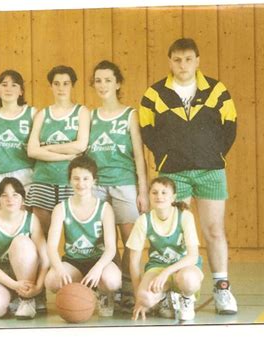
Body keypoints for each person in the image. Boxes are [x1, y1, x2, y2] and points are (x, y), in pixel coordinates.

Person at [138, 37, 238, 314]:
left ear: (197, 60)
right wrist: (168, 156)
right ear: (170, 62)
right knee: (175, 236)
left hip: (211, 171)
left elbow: (229, 127)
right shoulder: (154, 94)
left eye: (189, 59)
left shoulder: (217, 91)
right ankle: (176, 294)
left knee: (214, 231)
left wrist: (214, 155)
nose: (183, 64)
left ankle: (222, 289)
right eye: (177, 59)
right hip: (173, 174)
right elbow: (148, 131)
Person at [87, 60, 149, 313]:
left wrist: (142, 190)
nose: (103, 85)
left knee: (130, 241)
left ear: (118, 83)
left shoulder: (129, 114)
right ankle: (107, 290)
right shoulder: (90, 115)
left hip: (124, 184)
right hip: (97, 187)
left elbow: (139, 155)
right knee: (102, 241)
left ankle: (127, 287)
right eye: (98, 80)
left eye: (108, 80)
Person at [44, 156, 121, 317]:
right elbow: (51, 247)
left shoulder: (105, 208)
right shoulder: (61, 208)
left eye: (86, 178)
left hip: (99, 260)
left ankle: (104, 294)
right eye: (76, 178)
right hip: (74, 261)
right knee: (51, 280)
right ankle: (80, 292)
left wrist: (97, 269)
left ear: (94, 181)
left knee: (112, 280)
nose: (81, 183)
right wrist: (59, 269)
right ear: (70, 180)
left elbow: (111, 248)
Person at [128, 177, 204, 321]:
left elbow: (193, 256)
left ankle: (186, 299)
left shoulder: (185, 217)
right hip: (157, 266)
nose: (159, 196)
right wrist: (138, 296)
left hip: (184, 267)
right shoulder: (143, 220)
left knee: (188, 280)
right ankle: (164, 297)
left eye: (164, 192)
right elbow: (133, 262)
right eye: (154, 192)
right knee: (145, 298)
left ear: (173, 197)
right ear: (149, 195)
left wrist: (166, 272)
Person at [26, 65, 91, 236]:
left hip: (70, 181)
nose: (61, 88)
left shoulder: (81, 112)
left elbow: (80, 145)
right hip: (43, 181)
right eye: (56, 84)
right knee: (42, 236)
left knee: (75, 235)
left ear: (72, 86)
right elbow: (32, 151)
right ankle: (46, 265)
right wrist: (67, 156)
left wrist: (47, 148)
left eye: (66, 83)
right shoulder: (42, 114)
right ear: (51, 86)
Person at [0, 177, 49, 320]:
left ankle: (26, 300)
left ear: (22, 199)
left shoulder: (31, 219)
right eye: (4, 195)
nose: (10, 199)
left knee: (21, 242)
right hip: (1, 277)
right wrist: (14, 285)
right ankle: (14, 302)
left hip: (28, 276)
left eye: (15, 195)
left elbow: (45, 258)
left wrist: (39, 286)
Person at [0, 70, 36, 213]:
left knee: (22, 227)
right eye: (4, 85)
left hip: (23, 174)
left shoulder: (32, 113)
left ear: (21, 91)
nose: (8, 89)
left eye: (14, 85)